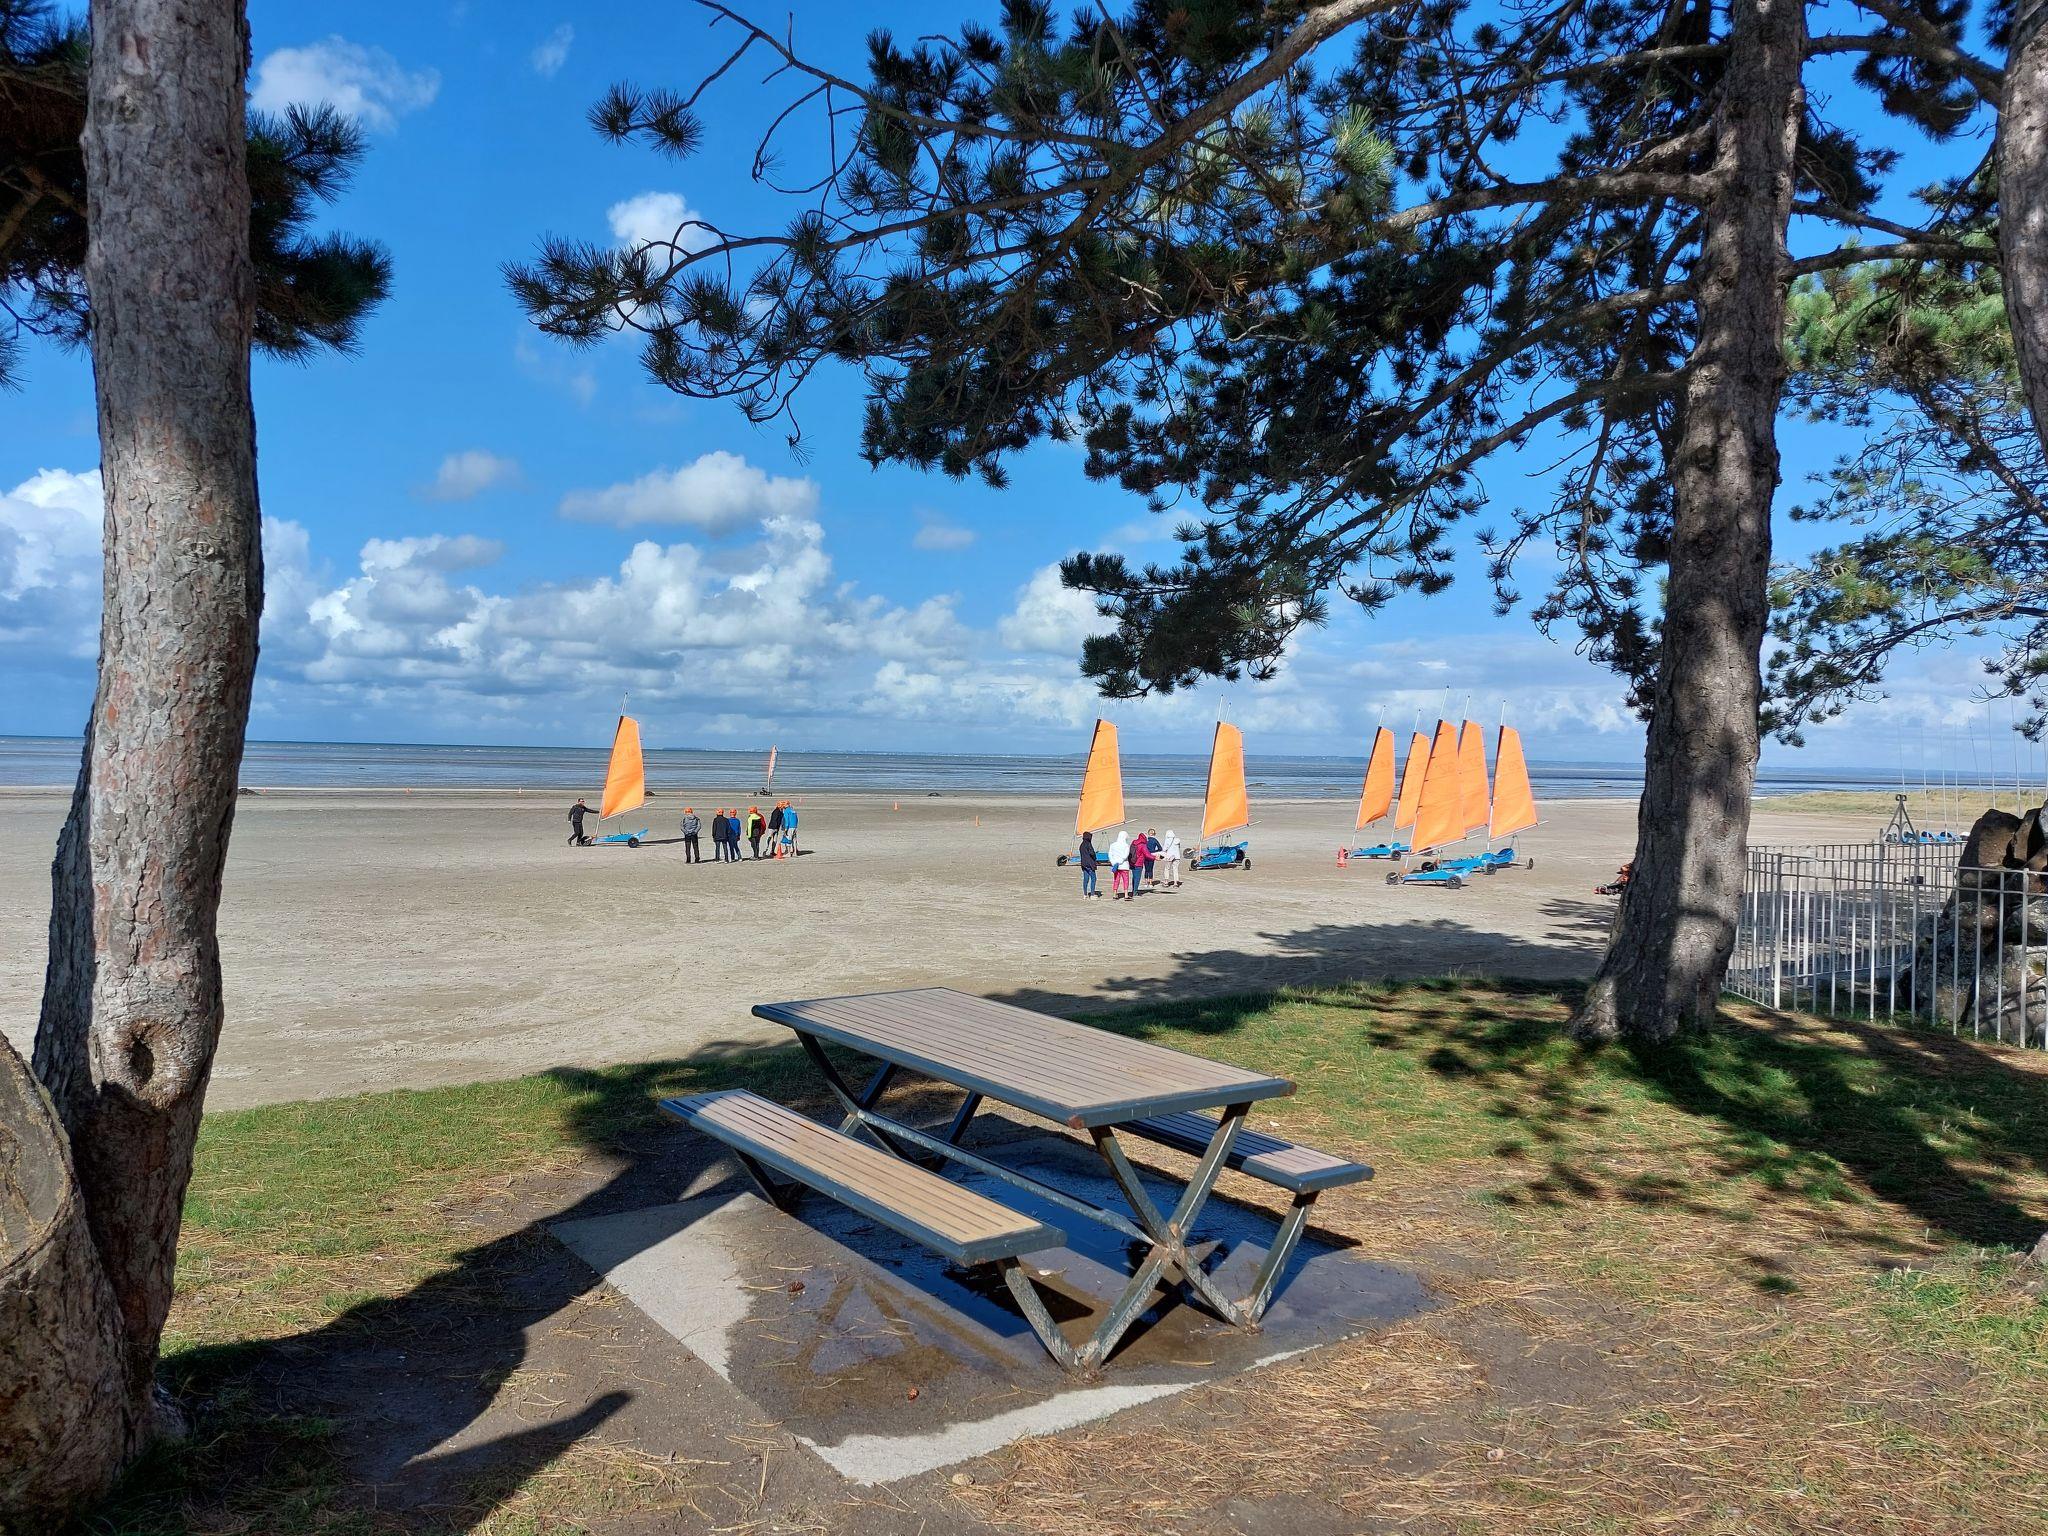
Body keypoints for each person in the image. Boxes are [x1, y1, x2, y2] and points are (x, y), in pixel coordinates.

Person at [1108, 830, 1132, 899]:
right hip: (1124, 865)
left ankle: (1114, 894)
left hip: (1116, 866)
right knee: (1126, 880)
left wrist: (1114, 862)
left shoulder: (1113, 845)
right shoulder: (1126, 845)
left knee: (1116, 879)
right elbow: (1125, 855)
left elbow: (1110, 855)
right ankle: (1126, 895)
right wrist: (1120, 861)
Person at [1077, 830, 1101, 898]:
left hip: (1083, 864)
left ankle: (1085, 894)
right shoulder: (1088, 844)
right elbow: (1092, 853)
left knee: (1086, 879)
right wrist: (1095, 858)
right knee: (1093, 878)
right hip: (1089, 864)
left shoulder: (1081, 845)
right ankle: (1092, 894)